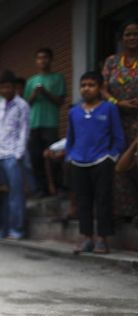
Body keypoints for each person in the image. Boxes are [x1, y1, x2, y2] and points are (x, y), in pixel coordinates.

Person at [66, 71, 125, 254]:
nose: (86, 89)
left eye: (91, 85)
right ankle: (87, 238)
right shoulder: (74, 112)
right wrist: (70, 155)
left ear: (100, 88)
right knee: (83, 201)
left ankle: (102, 239)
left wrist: (111, 156)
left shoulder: (109, 108)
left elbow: (119, 137)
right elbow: (70, 138)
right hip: (79, 162)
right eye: (83, 85)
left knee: (103, 200)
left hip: (102, 160)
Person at [103, 19, 138, 225]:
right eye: (128, 34)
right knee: (119, 163)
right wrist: (118, 103)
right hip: (117, 119)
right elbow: (102, 88)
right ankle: (125, 210)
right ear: (121, 39)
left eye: (136, 34)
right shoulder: (112, 62)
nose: (132, 38)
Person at [24, 48, 67, 196]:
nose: (42, 61)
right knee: (36, 157)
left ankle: (59, 186)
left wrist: (46, 93)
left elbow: (60, 101)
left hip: (50, 123)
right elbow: (26, 105)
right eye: (39, 58)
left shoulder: (58, 78)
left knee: (54, 156)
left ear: (51, 59)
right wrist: (35, 94)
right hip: (34, 124)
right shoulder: (31, 81)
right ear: (36, 61)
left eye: (45, 57)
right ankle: (41, 188)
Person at [0, 71, 30, 240]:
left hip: (13, 155)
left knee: (16, 195)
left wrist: (18, 154)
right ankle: (5, 228)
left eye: (8, 87)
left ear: (14, 87)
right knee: (4, 195)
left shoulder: (22, 105)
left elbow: (24, 130)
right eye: (2, 87)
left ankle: (17, 230)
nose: (5, 90)